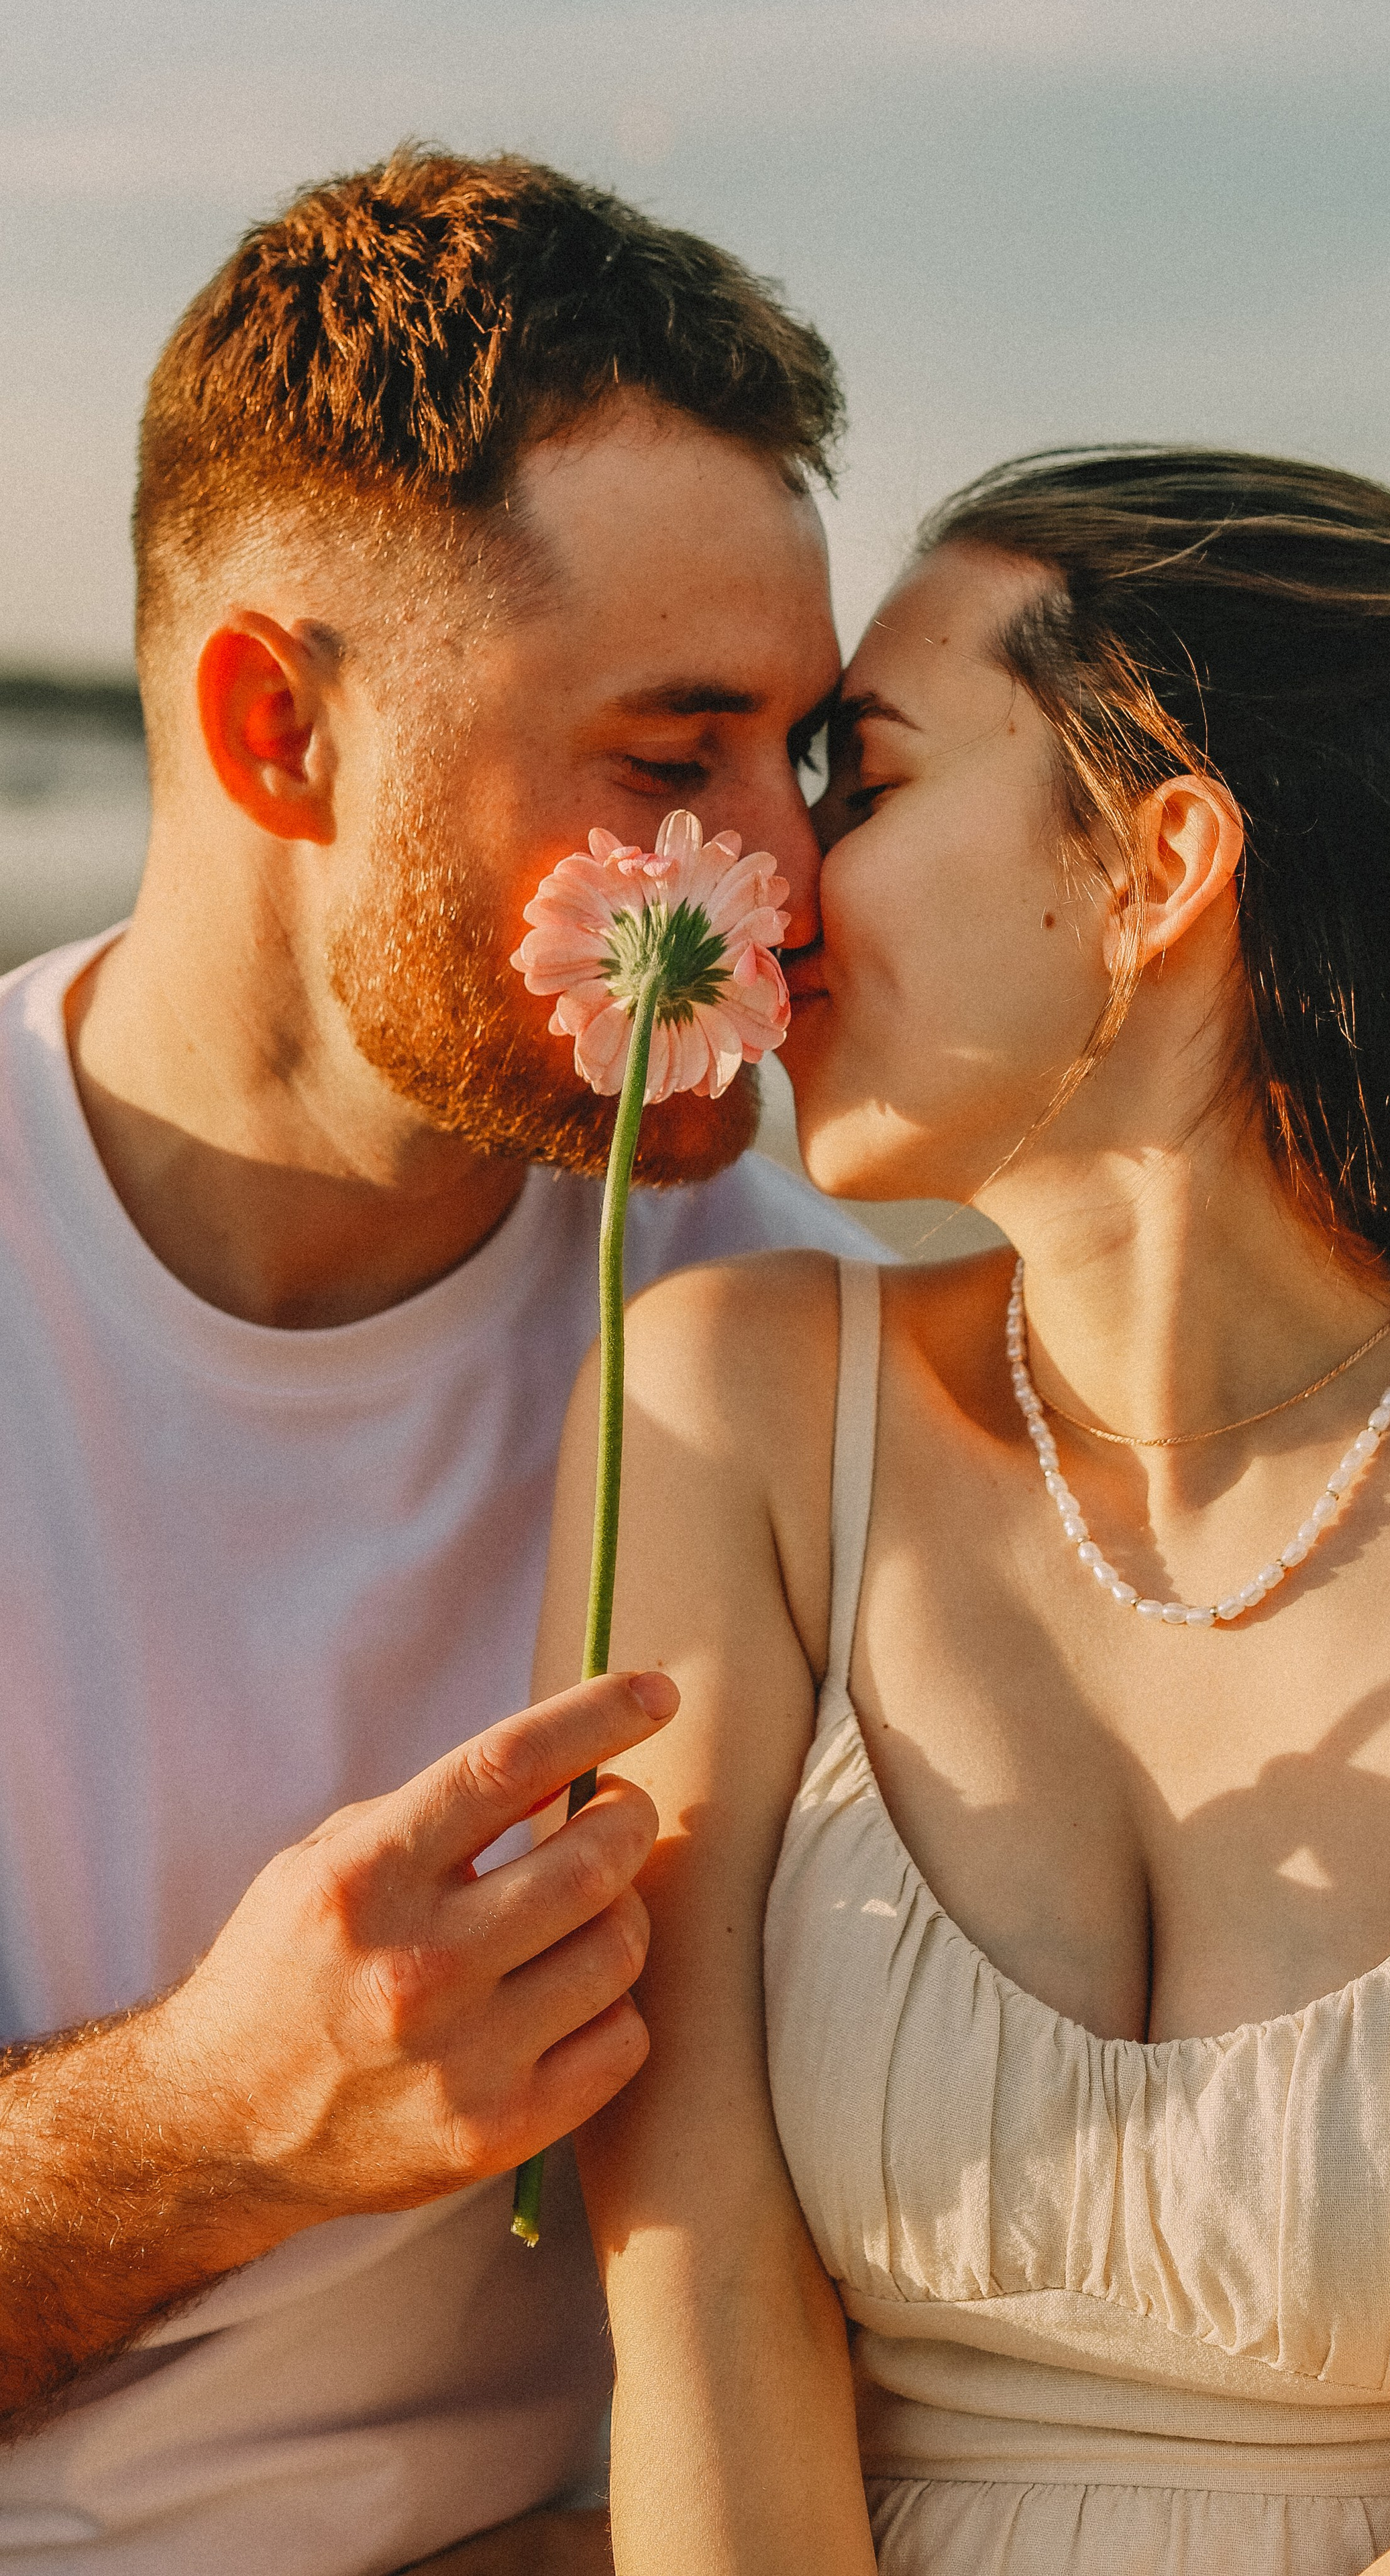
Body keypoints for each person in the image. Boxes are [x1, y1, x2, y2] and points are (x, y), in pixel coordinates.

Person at [551, 448, 1390, 2572]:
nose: (775, 885)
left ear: (1161, 857)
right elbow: (702, 2302)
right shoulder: (723, 1410)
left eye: (865, 779)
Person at [0, 147, 880, 2575]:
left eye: (808, 762)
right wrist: (214, 2120)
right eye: (670, 756)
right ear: (280, 731)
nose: (780, 901)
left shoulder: (798, 1347)